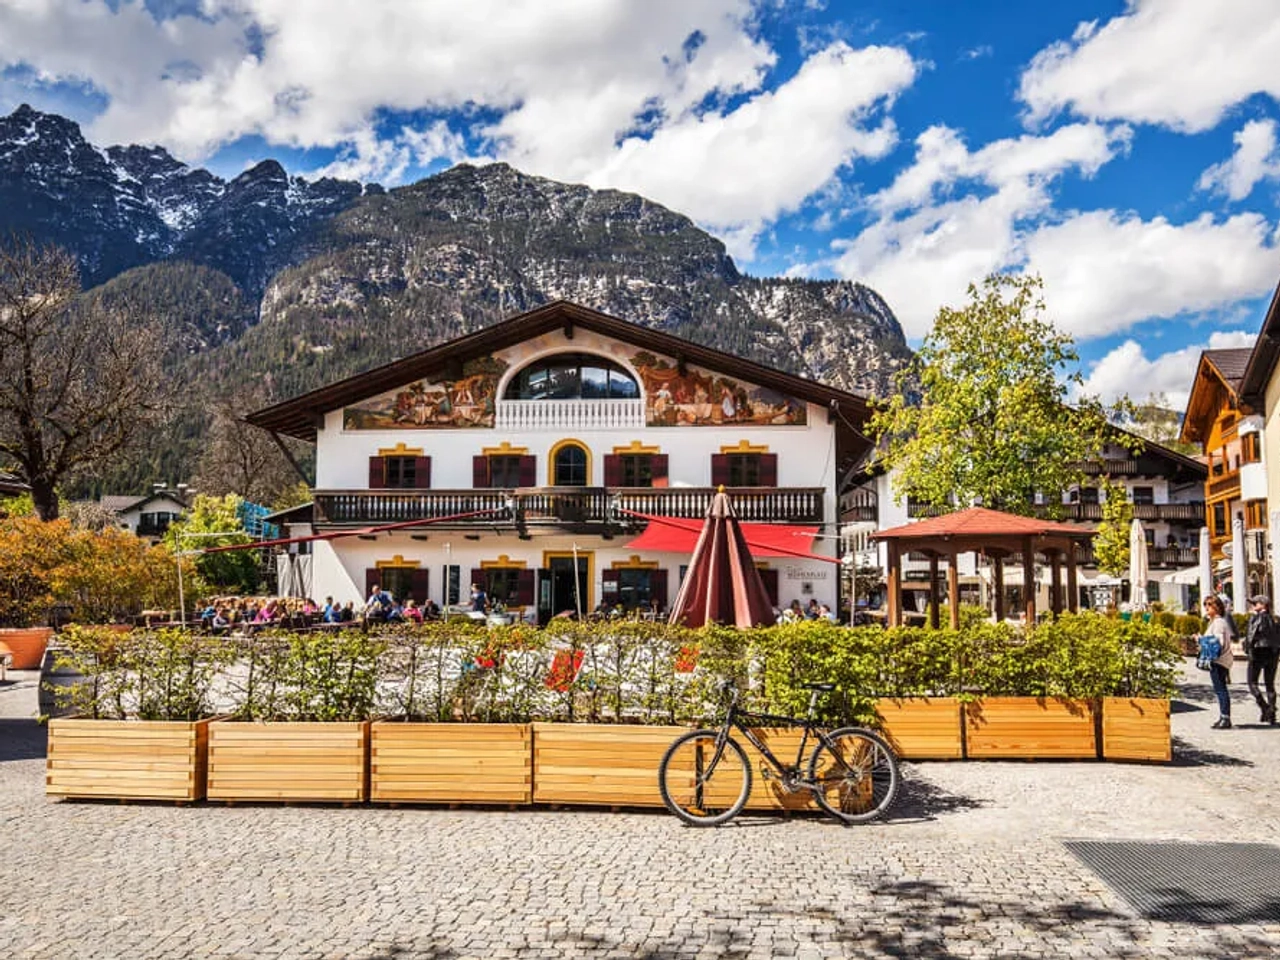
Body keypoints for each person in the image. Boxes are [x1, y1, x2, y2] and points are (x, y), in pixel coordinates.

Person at [1245, 595, 1279, 725]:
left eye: (1255, 604)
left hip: (1258, 652)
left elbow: (1250, 636)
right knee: (1270, 684)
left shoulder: (1255, 619)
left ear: (1263, 605)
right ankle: (1272, 715)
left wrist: (1248, 651)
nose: (1253, 606)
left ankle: (1265, 707)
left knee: (1252, 683)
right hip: (1273, 653)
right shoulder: (1275, 619)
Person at [1203, 595, 1235, 729]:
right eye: (1205, 604)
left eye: (1208, 605)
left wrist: (1204, 642)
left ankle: (1225, 718)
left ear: (1216, 607)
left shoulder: (1218, 622)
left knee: (1221, 690)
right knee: (1220, 689)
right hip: (1220, 660)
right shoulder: (1217, 622)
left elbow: (1218, 642)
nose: (1206, 607)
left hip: (1218, 660)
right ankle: (1223, 716)